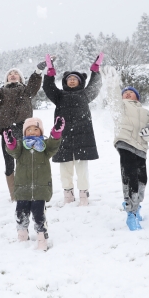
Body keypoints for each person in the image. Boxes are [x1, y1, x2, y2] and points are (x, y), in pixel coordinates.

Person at [0, 61, 45, 201]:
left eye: (16, 73)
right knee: (9, 162)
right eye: (10, 74)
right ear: (6, 79)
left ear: (21, 78)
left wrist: (38, 70)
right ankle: (14, 195)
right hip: (7, 131)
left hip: (24, 130)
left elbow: (34, 84)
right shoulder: (0, 93)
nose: (13, 75)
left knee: (25, 161)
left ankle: (28, 192)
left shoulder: (26, 90)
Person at [42, 54, 103, 206]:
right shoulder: (59, 96)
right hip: (64, 137)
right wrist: (50, 72)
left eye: (75, 79)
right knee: (65, 169)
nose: (72, 80)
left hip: (83, 136)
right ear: (65, 82)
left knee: (82, 169)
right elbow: (48, 88)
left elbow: (95, 86)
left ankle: (84, 195)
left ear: (80, 82)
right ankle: (68, 194)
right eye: (69, 79)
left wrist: (95, 70)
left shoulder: (85, 94)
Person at [104, 67, 149, 231]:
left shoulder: (144, 111)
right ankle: (130, 214)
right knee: (130, 178)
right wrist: (113, 85)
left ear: (137, 97)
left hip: (141, 147)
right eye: (124, 92)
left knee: (142, 179)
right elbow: (113, 99)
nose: (127, 94)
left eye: (130, 92)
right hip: (125, 143)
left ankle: (137, 205)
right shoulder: (120, 107)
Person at [3, 117, 64, 251]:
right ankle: (22, 237)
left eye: (35, 129)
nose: (32, 132)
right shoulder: (21, 147)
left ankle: (42, 238)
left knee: (39, 216)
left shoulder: (44, 147)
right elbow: (12, 149)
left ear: (41, 132)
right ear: (24, 133)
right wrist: (10, 141)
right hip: (22, 189)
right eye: (29, 129)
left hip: (40, 189)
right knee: (20, 214)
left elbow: (54, 144)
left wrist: (56, 132)